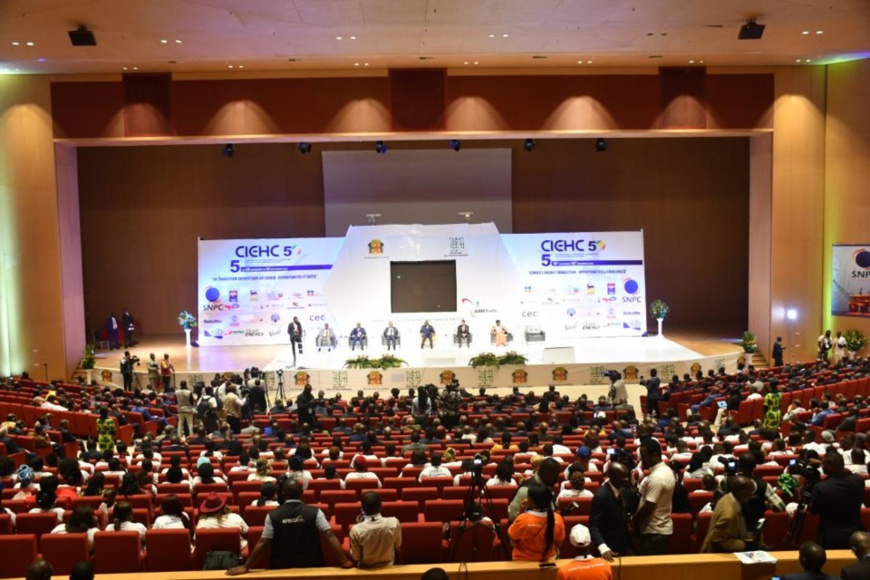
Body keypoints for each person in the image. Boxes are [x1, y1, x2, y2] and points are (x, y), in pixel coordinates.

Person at [226, 480, 352, 574]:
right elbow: (329, 535)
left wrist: (246, 567)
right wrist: (344, 561)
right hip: (312, 564)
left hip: (280, 566)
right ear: (302, 493)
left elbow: (264, 542)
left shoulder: (272, 515)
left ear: (283, 493)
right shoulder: (316, 512)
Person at [809, 452, 865, 549]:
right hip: (857, 535)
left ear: (831, 466)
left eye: (824, 464)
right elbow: (848, 474)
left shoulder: (821, 487)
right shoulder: (859, 481)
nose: (822, 466)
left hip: (830, 537)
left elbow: (813, 511)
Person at [632, 437, 674, 555]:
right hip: (660, 527)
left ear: (654, 455)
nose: (642, 459)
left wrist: (633, 521)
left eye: (644, 455)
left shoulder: (657, 477)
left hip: (654, 531)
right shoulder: (666, 469)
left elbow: (649, 506)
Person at [590, 462, 636, 561]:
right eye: (623, 477)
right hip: (609, 547)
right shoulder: (601, 496)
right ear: (612, 477)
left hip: (624, 542)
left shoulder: (625, 490)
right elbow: (594, 526)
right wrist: (603, 548)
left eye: (627, 476)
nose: (627, 479)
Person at [508, 484, 566, 562]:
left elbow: (512, 536)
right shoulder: (558, 518)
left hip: (523, 561)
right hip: (550, 561)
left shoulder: (523, 519)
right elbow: (559, 543)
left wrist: (521, 513)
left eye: (528, 497)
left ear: (532, 502)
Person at [700, 476, 759, 553]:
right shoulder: (729, 515)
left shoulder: (727, 498)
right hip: (718, 557)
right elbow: (717, 540)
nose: (751, 497)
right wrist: (745, 545)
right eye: (749, 494)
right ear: (742, 494)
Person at [350, 491, 402, 568]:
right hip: (388, 567)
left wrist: (359, 526)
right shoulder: (394, 522)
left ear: (363, 509)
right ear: (380, 506)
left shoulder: (356, 529)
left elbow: (356, 557)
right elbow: (398, 546)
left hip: (365, 569)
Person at [509, 457, 560, 522]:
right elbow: (513, 517)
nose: (556, 480)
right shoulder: (526, 490)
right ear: (546, 473)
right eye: (555, 476)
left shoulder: (547, 486)